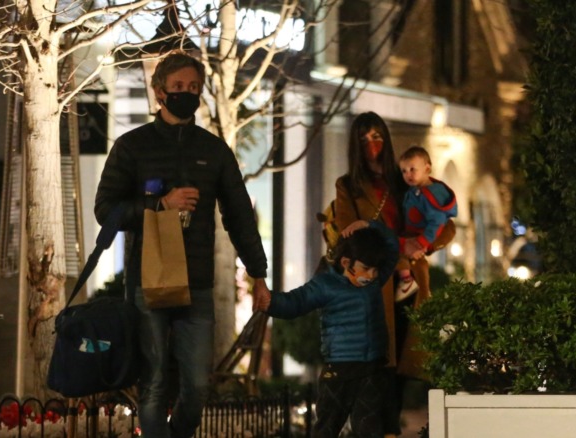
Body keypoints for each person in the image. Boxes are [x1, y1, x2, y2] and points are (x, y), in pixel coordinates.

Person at [94, 52, 269, 438]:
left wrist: (258, 273)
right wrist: (160, 204)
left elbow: (239, 215)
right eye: (178, 88)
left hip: (197, 281)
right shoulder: (131, 146)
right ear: (160, 93)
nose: (187, 94)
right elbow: (105, 209)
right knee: (153, 382)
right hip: (148, 281)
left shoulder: (214, 150)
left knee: (198, 386)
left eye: (194, 88)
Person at [333, 112, 454, 437]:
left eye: (377, 136)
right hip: (373, 285)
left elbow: (445, 222)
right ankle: (382, 430)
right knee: (376, 368)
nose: (372, 144)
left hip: (409, 281)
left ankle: (393, 430)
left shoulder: (404, 178)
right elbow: (347, 234)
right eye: (364, 138)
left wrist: (423, 245)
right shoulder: (348, 185)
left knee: (403, 365)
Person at [254, 219, 399, 438]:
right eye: (365, 269)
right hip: (339, 370)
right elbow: (297, 301)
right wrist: (271, 302)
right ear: (345, 262)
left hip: (371, 369)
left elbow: (392, 245)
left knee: (369, 428)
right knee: (327, 427)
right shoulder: (325, 284)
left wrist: (368, 224)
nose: (370, 275)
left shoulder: (374, 284)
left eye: (375, 270)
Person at [394, 146, 458, 302]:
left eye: (412, 169)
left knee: (399, 251)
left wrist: (421, 243)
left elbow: (436, 222)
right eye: (404, 171)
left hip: (420, 236)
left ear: (427, 168)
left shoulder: (430, 194)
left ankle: (407, 281)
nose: (408, 174)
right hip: (411, 233)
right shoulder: (414, 190)